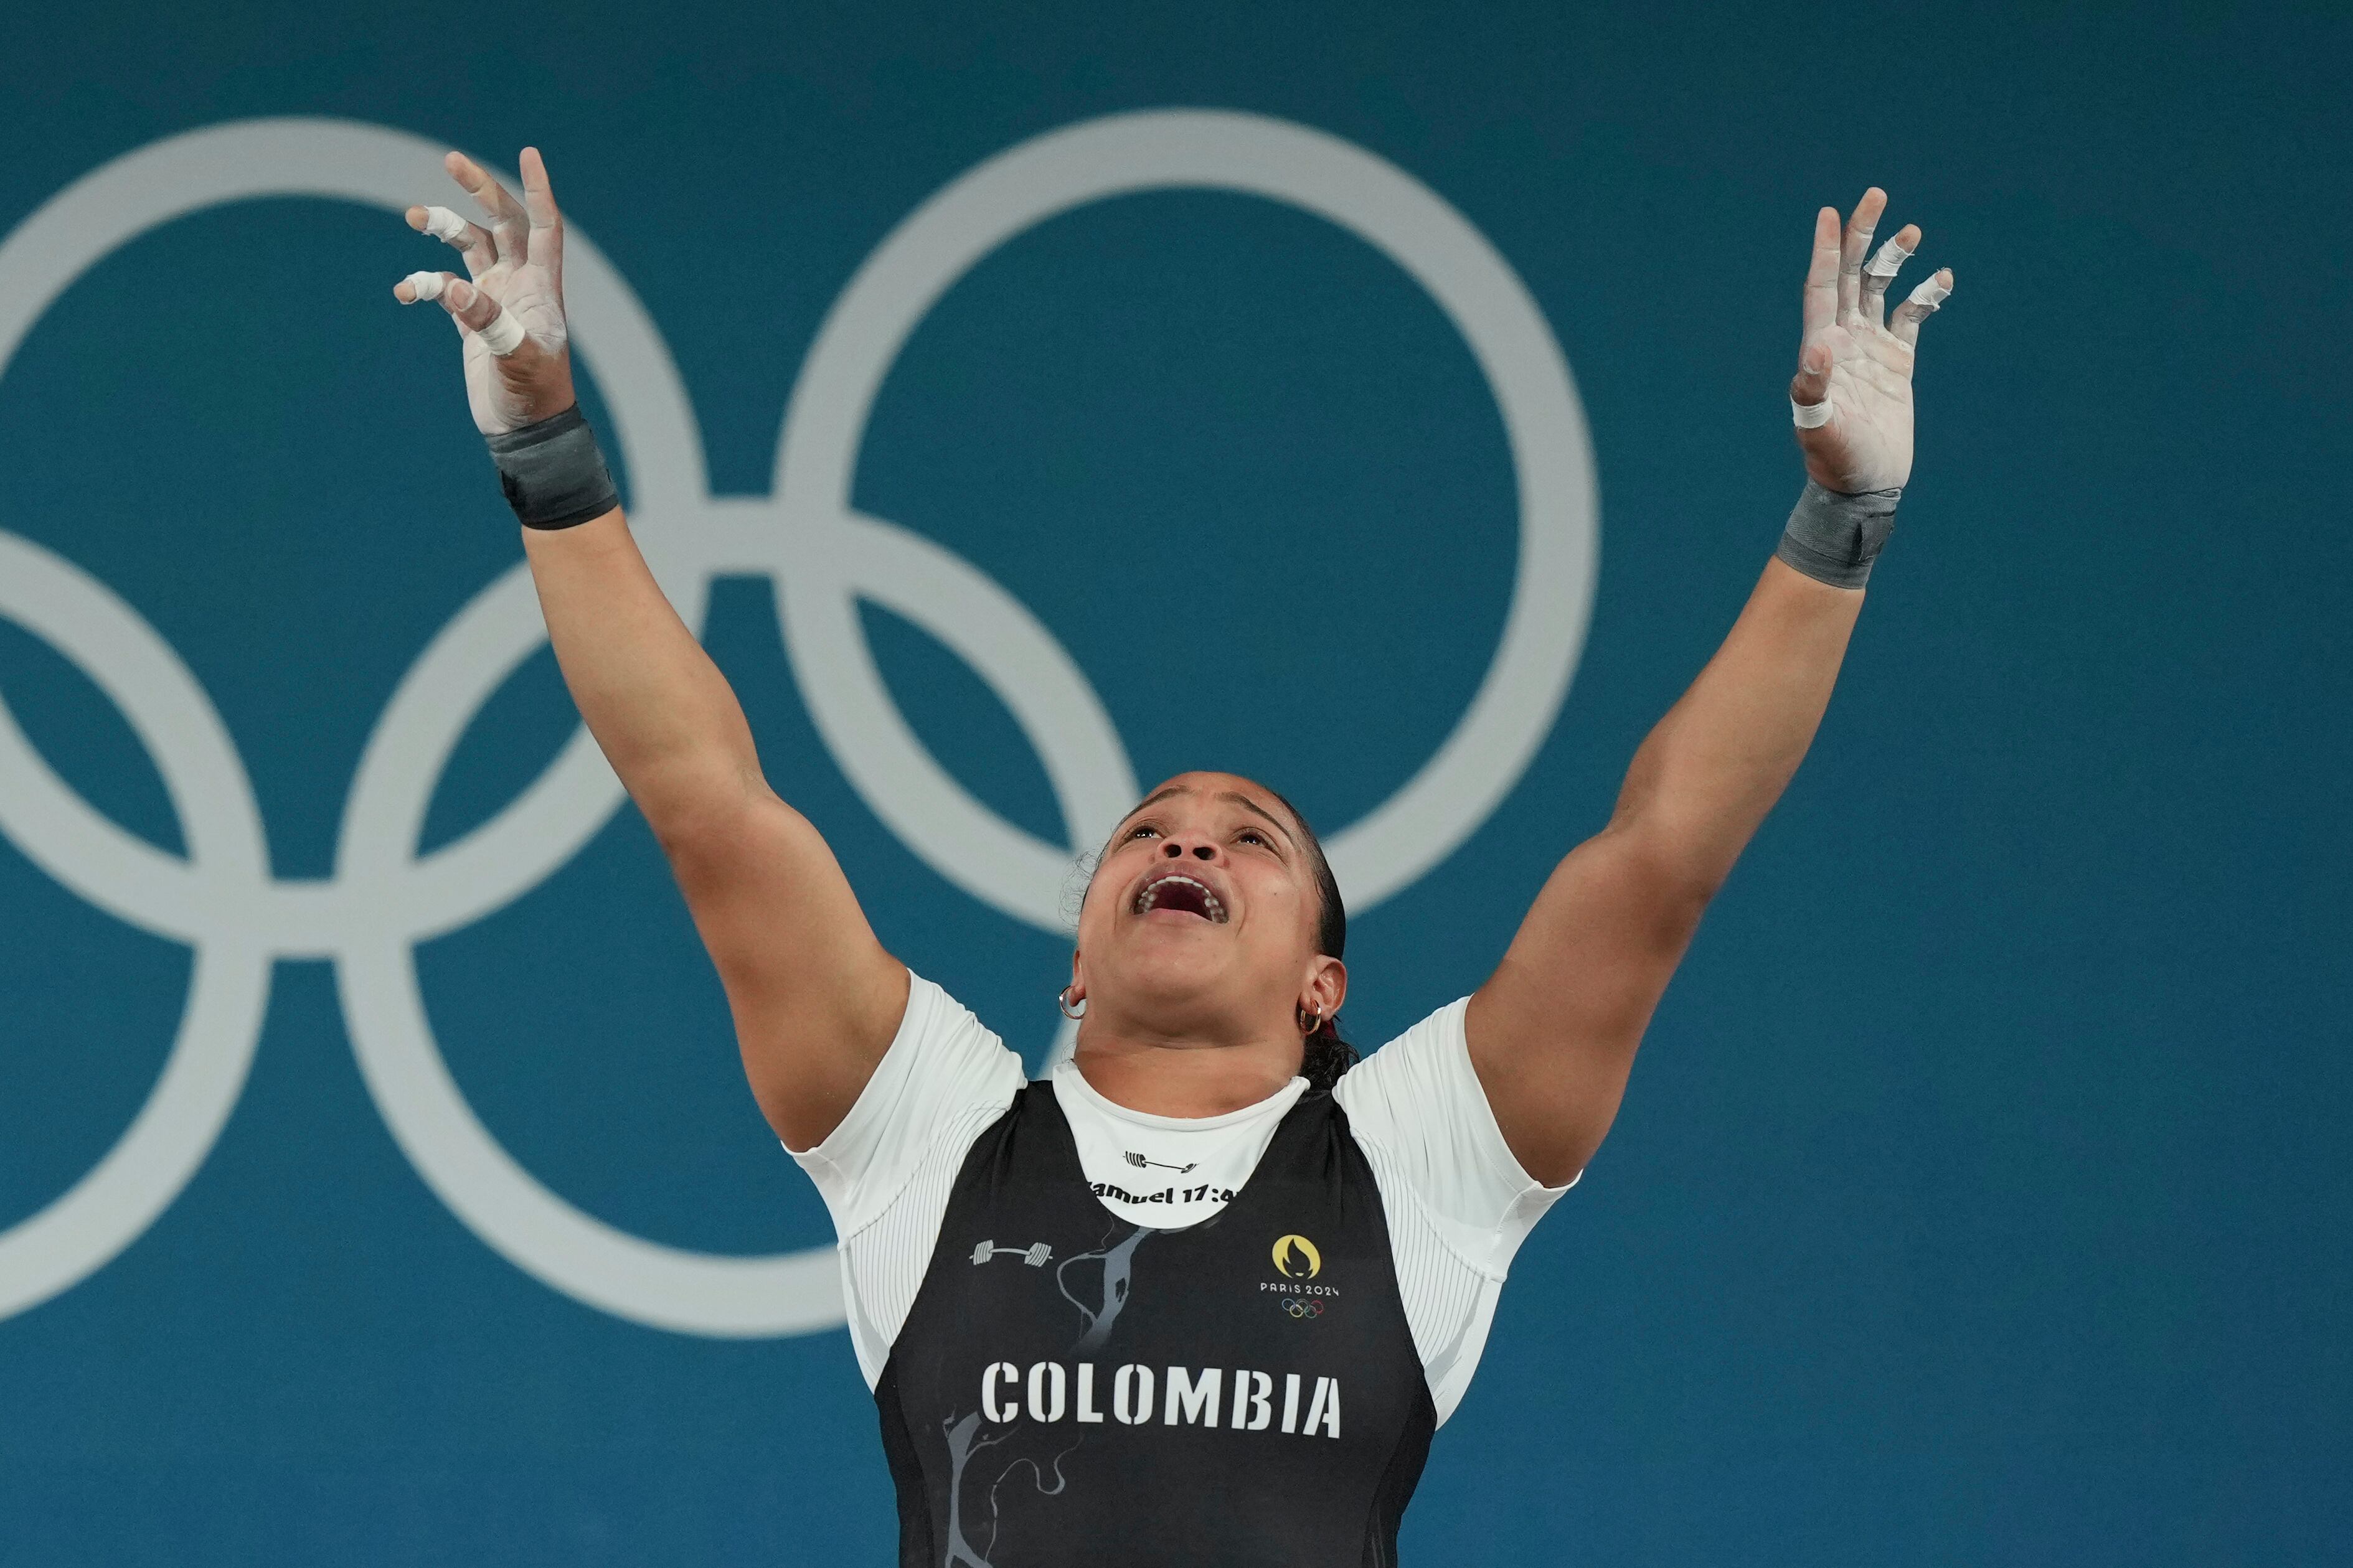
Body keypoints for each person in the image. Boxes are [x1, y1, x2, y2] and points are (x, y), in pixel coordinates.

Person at [392, 147, 1953, 1567]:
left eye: (1250, 840)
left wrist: (1845, 519)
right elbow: (706, 801)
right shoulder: (927, 1129)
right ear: (1076, 958)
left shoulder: (1424, 1159)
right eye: (1145, 830)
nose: (1189, 836)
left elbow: (1664, 852)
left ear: (1324, 983)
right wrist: (544, 442)